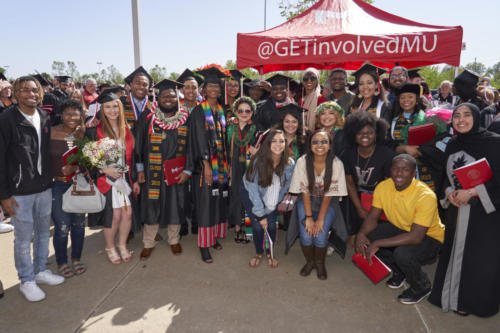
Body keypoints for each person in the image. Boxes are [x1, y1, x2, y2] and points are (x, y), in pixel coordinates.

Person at [428, 103, 500, 317]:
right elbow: (443, 175)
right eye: (456, 116)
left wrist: (474, 192)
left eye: (467, 115)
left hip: (485, 216)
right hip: (457, 211)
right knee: (455, 255)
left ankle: (475, 303)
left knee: (480, 260)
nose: (461, 120)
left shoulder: (494, 144)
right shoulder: (452, 144)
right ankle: (453, 298)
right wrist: (449, 191)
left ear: (476, 117)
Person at [0, 76, 65, 302]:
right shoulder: (6, 120)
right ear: (16, 93)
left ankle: (39, 270)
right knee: (23, 237)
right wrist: (4, 195)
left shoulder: (44, 117)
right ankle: (26, 280)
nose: (32, 94)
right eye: (26, 90)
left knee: (42, 232)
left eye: (35, 90)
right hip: (20, 191)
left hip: (44, 186)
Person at [355, 154, 444, 305]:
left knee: (402, 254)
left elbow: (416, 237)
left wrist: (379, 243)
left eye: (405, 170)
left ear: (414, 173)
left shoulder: (425, 195)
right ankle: (400, 272)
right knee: (369, 237)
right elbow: (372, 217)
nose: (399, 173)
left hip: (429, 238)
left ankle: (421, 286)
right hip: (401, 227)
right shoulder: (384, 186)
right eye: (395, 168)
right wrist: (361, 234)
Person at [134, 79, 190, 259]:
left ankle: (174, 240)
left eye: (172, 96)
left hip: (176, 171)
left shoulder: (185, 118)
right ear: (157, 98)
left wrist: (187, 170)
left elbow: (192, 146)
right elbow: (139, 145)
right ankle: (148, 242)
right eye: (164, 96)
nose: (168, 99)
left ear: (177, 98)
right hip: (153, 171)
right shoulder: (147, 117)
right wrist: (140, 169)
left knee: (175, 205)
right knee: (152, 206)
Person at [186, 64, 231, 263]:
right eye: (210, 87)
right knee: (205, 204)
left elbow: (224, 138)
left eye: (217, 87)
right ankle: (204, 245)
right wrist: (206, 164)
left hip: (221, 165)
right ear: (204, 90)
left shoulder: (222, 110)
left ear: (220, 90)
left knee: (217, 200)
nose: (214, 90)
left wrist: (227, 163)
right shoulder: (198, 111)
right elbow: (198, 139)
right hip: (204, 165)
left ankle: (212, 238)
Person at [86, 92, 137, 264]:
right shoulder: (94, 131)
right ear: (101, 109)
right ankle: (110, 247)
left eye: (115, 106)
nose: (112, 110)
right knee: (113, 216)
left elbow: (134, 156)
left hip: (125, 178)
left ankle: (122, 245)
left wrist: (135, 178)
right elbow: (86, 159)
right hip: (106, 180)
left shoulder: (127, 129)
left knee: (127, 214)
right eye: (107, 107)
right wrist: (104, 169)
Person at [289, 130, 347, 280]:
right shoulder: (302, 161)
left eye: (324, 142)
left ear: (330, 145)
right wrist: (309, 217)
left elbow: (328, 195)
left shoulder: (337, 164)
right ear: (310, 145)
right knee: (306, 236)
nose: (319, 145)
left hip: (328, 202)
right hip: (307, 200)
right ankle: (310, 262)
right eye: (315, 142)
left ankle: (320, 263)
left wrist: (320, 219)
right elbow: (305, 192)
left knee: (320, 236)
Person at [241, 129, 295, 268]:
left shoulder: (289, 164)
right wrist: (260, 214)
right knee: (258, 226)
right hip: (250, 193)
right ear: (268, 143)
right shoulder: (258, 161)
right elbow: (252, 189)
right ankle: (258, 253)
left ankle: (270, 253)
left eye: (281, 141)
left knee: (271, 224)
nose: (278, 144)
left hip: (273, 197)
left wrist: (270, 208)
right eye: (274, 141)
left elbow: (283, 189)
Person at [341, 112, 394, 239]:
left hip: (382, 198)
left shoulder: (387, 155)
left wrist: (374, 213)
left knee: (374, 232)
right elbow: (349, 184)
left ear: (376, 134)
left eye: (369, 132)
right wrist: (359, 208)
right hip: (358, 197)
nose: (365, 136)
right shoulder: (347, 154)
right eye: (360, 132)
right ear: (353, 135)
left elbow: (388, 188)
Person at [50, 100, 86, 278]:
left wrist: (77, 168)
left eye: (75, 114)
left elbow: (88, 161)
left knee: (79, 225)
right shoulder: (51, 132)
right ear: (61, 115)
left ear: (81, 116)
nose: (71, 117)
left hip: (78, 183)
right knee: (62, 227)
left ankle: (76, 258)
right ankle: (62, 262)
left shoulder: (82, 134)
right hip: (57, 184)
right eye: (67, 113)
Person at [390, 83, 441, 191]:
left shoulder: (428, 118)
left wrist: (420, 151)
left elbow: (437, 144)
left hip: (426, 168)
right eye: (402, 97)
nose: (406, 100)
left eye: (410, 97)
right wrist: (405, 148)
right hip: (402, 170)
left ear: (417, 99)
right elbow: (391, 145)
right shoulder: (394, 121)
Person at [226, 97, 257, 243]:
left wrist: (256, 151)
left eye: (247, 111)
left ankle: (248, 227)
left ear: (252, 112)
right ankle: (238, 226)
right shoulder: (230, 128)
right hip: (235, 166)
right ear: (235, 112)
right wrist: (228, 167)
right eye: (240, 111)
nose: (244, 113)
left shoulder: (256, 129)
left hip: (250, 167)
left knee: (249, 196)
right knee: (236, 195)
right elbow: (225, 149)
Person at [121, 66, 154, 134]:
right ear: (131, 84)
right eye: (137, 83)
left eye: (145, 85)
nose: (141, 87)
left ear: (148, 88)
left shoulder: (154, 108)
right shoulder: (120, 104)